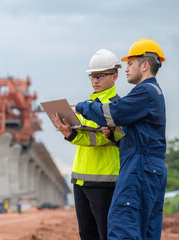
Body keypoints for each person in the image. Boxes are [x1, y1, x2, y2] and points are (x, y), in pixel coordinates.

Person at [74, 39, 167, 239]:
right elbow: (137, 134)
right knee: (145, 231)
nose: (126, 69)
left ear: (144, 65)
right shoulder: (153, 92)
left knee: (123, 226)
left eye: (130, 63)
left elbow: (113, 113)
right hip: (148, 165)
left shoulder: (145, 91)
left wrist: (83, 106)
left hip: (140, 167)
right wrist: (116, 137)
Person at [52, 49, 123, 240]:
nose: (95, 80)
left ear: (114, 77)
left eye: (99, 76)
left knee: (105, 234)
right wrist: (70, 131)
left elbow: (99, 138)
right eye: (92, 76)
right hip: (80, 181)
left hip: (104, 183)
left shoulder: (117, 106)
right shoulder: (88, 104)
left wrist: (71, 135)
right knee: (87, 235)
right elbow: (87, 137)